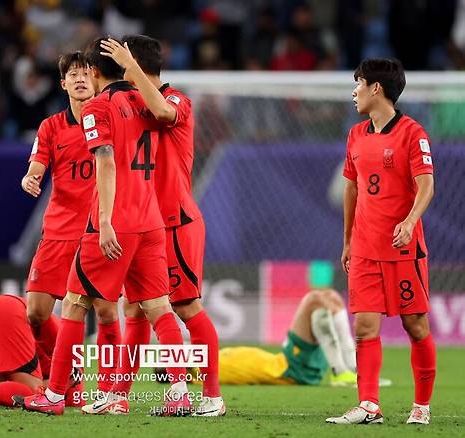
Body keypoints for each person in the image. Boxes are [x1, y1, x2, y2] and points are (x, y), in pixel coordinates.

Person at [16, 37, 189, 417]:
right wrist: (134, 70)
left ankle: (56, 394)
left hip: (114, 221)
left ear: (94, 73)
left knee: (76, 305)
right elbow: (166, 114)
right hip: (151, 221)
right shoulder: (146, 102)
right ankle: (178, 393)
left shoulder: (98, 108)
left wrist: (106, 220)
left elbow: (106, 163)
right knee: (160, 308)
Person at [85, 35, 224, 417]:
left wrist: (129, 69)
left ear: (134, 63)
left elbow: (163, 112)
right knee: (134, 311)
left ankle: (211, 397)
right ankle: (119, 394)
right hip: (143, 223)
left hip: (175, 220)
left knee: (187, 307)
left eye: (124, 60)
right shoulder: (130, 104)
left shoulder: (176, 100)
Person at [327, 58, 435, 425]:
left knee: (415, 326)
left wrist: (409, 221)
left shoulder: (412, 133)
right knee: (364, 329)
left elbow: (427, 184)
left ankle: (421, 406)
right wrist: (346, 241)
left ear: (377, 88)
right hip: (364, 248)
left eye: (358, 83)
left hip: (404, 248)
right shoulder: (355, 135)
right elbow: (352, 187)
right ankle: (369, 405)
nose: (353, 91)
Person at [20, 51, 122, 391]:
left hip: (98, 229)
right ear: (63, 84)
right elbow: (37, 164)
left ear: (95, 79)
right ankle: (63, 372)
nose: (79, 79)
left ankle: (109, 390)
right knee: (35, 312)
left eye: (85, 73)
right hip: (59, 232)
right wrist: (30, 178)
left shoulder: (112, 119)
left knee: (106, 313)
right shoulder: (51, 126)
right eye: (72, 74)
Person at [155, 288, 362, 387]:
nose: (182, 343)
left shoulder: (209, 364)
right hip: (292, 368)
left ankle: (352, 369)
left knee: (328, 299)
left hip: (291, 363)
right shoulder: (202, 372)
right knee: (315, 300)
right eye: (178, 348)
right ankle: (343, 371)